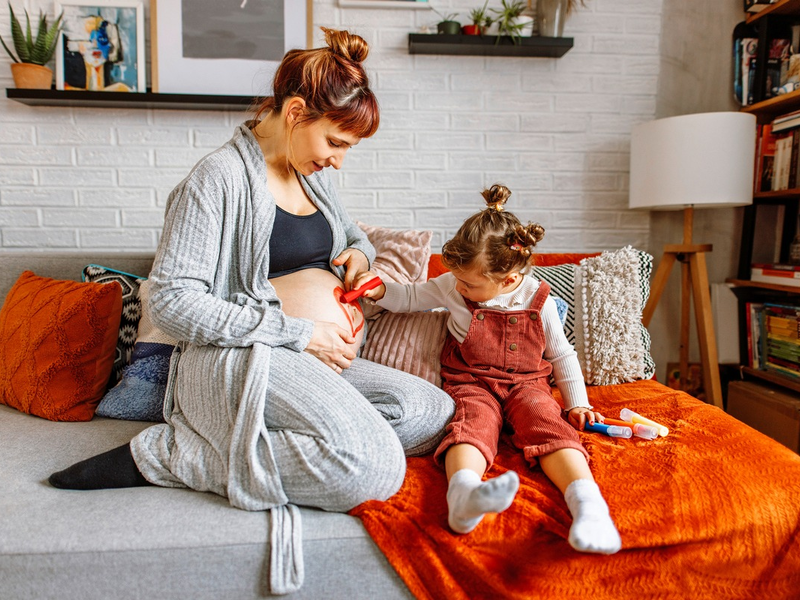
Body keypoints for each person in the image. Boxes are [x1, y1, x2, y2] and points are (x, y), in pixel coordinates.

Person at [48, 27, 454, 591]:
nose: (338, 161)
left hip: (310, 363)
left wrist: (359, 261)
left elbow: (355, 237)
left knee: (430, 411)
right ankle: (179, 455)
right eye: (335, 143)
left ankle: (244, 439)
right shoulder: (215, 181)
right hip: (238, 359)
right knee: (372, 467)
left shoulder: (310, 178)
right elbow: (171, 299)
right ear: (295, 113)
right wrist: (296, 332)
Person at [353, 184, 622, 555]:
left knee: (547, 422)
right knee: (471, 424)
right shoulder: (452, 285)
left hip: (528, 384)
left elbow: (562, 355)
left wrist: (577, 403)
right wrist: (381, 291)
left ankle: (588, 505)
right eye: (459, 279)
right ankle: (464, 494)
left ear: (509, 280)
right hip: (471, 381)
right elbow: (412, 297)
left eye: (470, 283)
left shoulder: (537, 299)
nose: (459, 286)